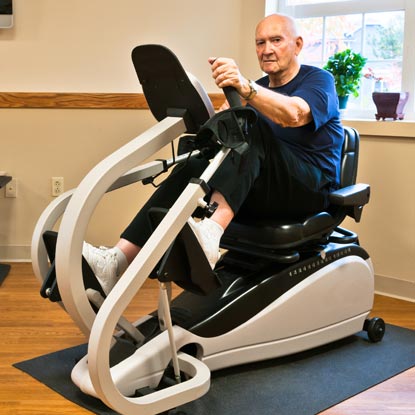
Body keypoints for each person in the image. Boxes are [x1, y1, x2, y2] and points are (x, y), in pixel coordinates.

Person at [83, 13, 344, 295]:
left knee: (248, 126)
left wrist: (246, 89)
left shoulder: (319, 80)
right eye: (260, 42)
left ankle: (210, 234)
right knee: (197, 161)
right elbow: (226, 127)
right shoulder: (255, 88)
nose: (267, 49)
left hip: (308, 189)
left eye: (276, 40)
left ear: (298, 44)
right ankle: (117, 261)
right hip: (263, 190)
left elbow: (294, 114)